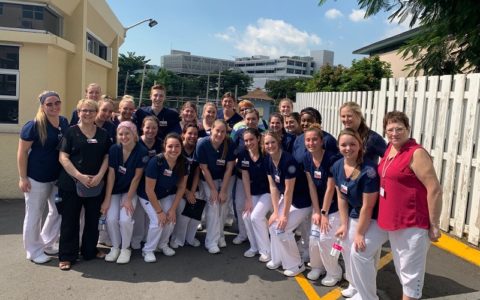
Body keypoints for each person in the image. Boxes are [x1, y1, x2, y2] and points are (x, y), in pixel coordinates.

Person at [378, 111, 442, 300]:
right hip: (393, 221)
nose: (394, 133)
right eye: (390, 129)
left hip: (412, 223)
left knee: (411, 278)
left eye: (399, 129)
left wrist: (434, 224)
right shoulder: (390, 148)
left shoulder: (416, 153)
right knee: (402, 271)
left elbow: (435, 189)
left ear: (408, 129)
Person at [57, 99, 111, 271]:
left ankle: (89, 250)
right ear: (78, 112)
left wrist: (100, 175)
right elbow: (63, 157)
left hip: (95, 184)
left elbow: (106, 157)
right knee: (70, 220)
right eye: (83, 110)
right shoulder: (70, 133)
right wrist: (79, 176)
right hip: (72, 184)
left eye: (91, 111)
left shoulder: (103, 134)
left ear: (96, 113)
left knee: (92, 219)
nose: (87, 113)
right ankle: (67, 255)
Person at [332, 128, 386, 299]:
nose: (348, 148)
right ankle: (355, 285)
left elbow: (368, 207)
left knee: (359, 251)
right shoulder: (337, 165)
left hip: (376, 216)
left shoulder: (368, 171)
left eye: (352, 144)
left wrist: (360, 233)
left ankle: (368, 295)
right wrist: (343, 224)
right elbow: (341, 196)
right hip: (356, 212)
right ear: (338, 146)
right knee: (347, 248)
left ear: (360, 146)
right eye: (344, 145)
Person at [17, 91, 69, 264]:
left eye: (57, 102)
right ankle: (33, 250)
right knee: (34, 214)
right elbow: (22, 152)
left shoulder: (63, 122)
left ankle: (46, 242)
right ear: (42, 106)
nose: (54, 107)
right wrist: (23, 177)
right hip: (36, 178)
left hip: (56, 177)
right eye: (49, 104)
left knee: (57, 211)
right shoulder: (33, 125)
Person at [264, 130, 312, 277]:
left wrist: (283, 215)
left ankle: (296, 265)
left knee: (282, 229)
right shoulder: (268, 160)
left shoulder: (289, 161)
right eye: (266, 143)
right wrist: (275, 212)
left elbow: (290, 190)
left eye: (273, 142)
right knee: (273, 225)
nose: (270, 145)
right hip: (288, 198)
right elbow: (273, 187)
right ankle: (277, 258)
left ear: (279, 142)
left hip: (302, 201)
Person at [101, 121, 148, 264]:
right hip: (115, 190)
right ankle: (115, 247)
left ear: (134, 135)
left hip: (130, 191)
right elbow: (111, 175)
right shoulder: (114, 149)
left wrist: (128, 199)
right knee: (110, 219)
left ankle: (125, 248)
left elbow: (137, 177)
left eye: (127, 133)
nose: (124, 137)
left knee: (125, 220)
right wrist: (107, 198)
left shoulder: (141, 151)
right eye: (120, 134)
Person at [137, 133, 188, 262]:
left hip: (165, 194)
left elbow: (182, 187)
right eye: (170, 146)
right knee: (158, 222)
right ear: (164, 147)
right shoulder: (156, 162)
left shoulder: (184, 162)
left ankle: (163, 244)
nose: (173, 150)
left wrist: (172, 209)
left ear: (181, 147)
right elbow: (149, 190)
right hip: (148, 196)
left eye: (177, 146)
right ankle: (148, 250)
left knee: (171, 219)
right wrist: (159, 212)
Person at [303, 124, 342, 285]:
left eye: (314, 140)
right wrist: (316, 211)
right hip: (319, 207)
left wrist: (324, 213)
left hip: (334, 208)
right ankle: (317, 267)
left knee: (326, 240)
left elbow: (330, 187)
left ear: (321, 141)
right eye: (308, 140)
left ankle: (334, 272)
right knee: (313, 239)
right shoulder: (307, 158)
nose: (311, 143)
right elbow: (311, 185)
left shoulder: (332, 159)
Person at [195, 119, 236, 254]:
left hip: (224, 178)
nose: (219, 134)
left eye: (223, 131)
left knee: (223, 204)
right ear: (211, 129)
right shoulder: (202, 144)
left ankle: (220, 235)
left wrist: (223, 190)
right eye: (217, 130)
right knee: (213, 205)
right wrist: (213, 190)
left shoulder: (229, 144)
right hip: (208, 179)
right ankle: (211, 242)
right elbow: (204, 169)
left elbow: (229, 168)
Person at [239, 128, 272, 262]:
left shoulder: (267, 154)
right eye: (246, 140)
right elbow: (245, 177)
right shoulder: (243, 154)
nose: (248, 143)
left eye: (251, 139)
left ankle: (266, 251)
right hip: (254, 191)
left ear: (258, 139)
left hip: (268, 192)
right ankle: (254, 247)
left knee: (256, 217)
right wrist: (248, 199)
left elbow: (272, 179)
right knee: (246, 215)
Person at [131, 116, 164, 249]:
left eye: (154, 128)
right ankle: (136, 239)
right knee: (138, 215)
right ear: (142, 128)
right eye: (148, 127)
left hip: (153, 185)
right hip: (137, 184)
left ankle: (147, 238)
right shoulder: (135, 142)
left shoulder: (161, 144)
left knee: (150, 215)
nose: (151, 130)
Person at [170, 124, 202, 248]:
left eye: (195, 134)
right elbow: (174, 175)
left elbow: (198, 171)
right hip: (178, 189)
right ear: (183, 134)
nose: (192, 136)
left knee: (195, 215)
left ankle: (190, 238)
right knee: (183, 215)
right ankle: (177, 239)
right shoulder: (177, 149)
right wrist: (186, 192)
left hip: (193, 187)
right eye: (189, 133)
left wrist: (192, 191)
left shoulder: (197, 149)